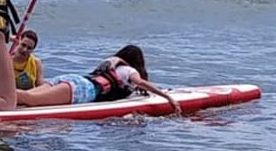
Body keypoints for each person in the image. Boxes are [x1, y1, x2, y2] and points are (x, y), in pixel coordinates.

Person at [16, 44, 182, 115]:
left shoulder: (112, 63)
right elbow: (141, 83)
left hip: (73, 79)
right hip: (81, 90)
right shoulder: (129, 70)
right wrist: (168, 97)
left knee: (26, 97)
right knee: (31, 100)